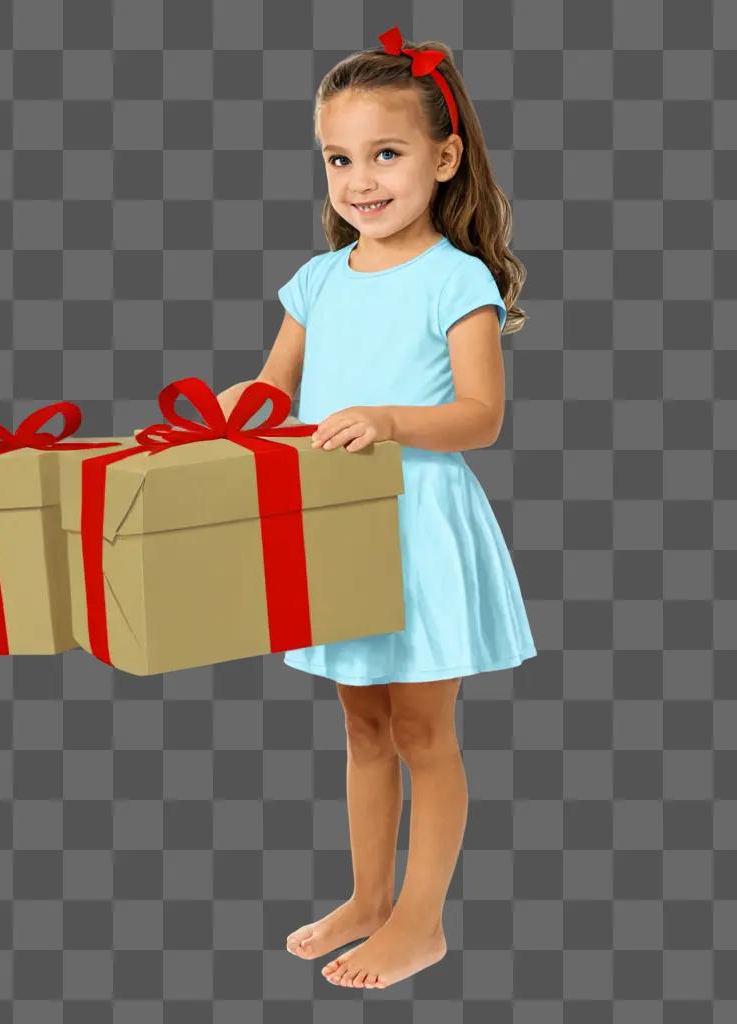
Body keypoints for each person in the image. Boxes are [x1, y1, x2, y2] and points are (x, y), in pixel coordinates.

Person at [216, 25, 538, 991]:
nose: (361, 179)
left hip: (418, 523)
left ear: (444, 159)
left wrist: (388, 420)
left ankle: (422, 920)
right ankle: (366, 898)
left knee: (424, 733)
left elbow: (481, 418)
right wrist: (244, 403)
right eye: (340, 158)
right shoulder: (318, 279)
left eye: (386, 154)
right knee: (361, 727)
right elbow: (277, 389)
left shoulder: (456, 278)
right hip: (335, 525)